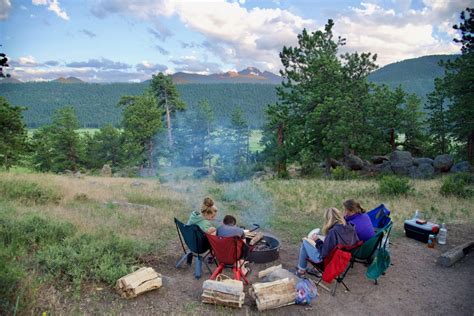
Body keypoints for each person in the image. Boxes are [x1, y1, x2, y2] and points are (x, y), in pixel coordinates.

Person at [296, 207, 359, 277]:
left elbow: (323, 253)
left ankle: (301, 271)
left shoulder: (333, 232)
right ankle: (314, 271)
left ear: (329, 219)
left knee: (305, 242)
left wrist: (317, 241)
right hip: (340, 260)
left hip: (326, 263)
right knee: (321, 239)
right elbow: (354, 241)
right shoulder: (350, 227)